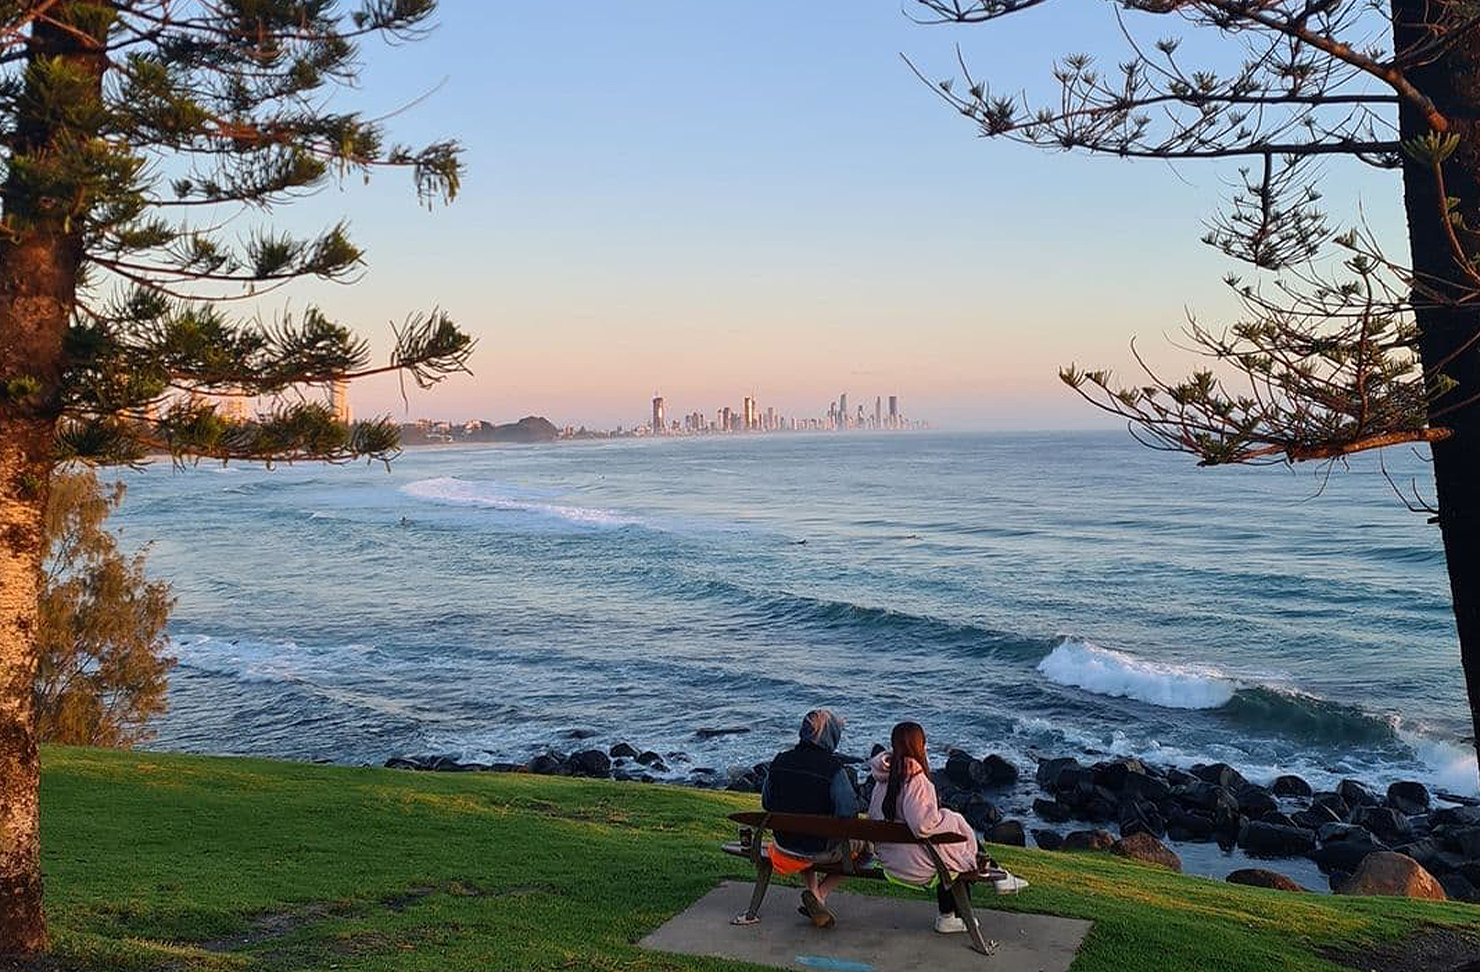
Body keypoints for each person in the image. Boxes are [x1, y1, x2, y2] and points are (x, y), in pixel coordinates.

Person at [868, 721, 1028, 935]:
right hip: (910, 864)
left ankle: (992, 882)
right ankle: (957, 913)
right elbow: (923, 825)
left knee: (951, 850)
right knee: (959, 853)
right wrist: (950, 817)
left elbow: (875, 817)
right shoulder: (914, 779)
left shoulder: (883, 778)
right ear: (919, 745)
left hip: (890, 857)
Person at [760, 708, 864, 927]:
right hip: (820, 849)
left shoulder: (780, 761)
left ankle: (814, 896)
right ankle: (819, 895)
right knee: (866, 848)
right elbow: (848, 814)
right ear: (831, 736)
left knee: (807, 836)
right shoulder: (833, 769)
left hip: (785, 845)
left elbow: (767, 803)